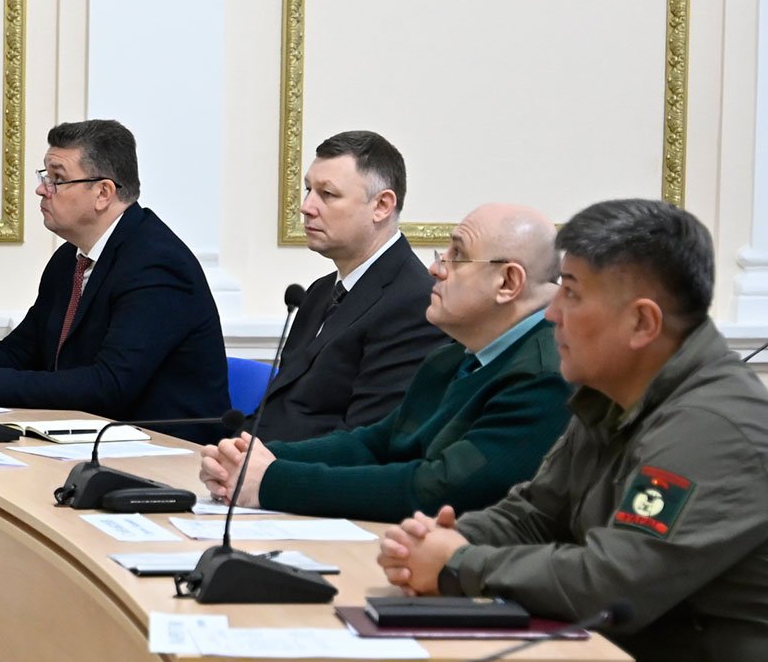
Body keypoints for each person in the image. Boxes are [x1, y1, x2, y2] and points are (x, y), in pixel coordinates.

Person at [378, 199, 768, 662]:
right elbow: (536, 513)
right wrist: (442, 540)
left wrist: (460, 563)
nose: (551, 313)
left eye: (571, 294)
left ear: (642, 323)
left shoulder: (713, 426)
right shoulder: (615, 394)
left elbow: (614, 583)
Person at [199, 203, 570, 522]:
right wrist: (256, 457)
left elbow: (438, 489)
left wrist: (272, 481)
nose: (435, 269)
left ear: (508, 282)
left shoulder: (545, 376)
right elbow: (375, 443)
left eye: (456, 255)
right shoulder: (452, 356)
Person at [0, 120, 228, 426]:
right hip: (90, 438)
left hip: (168, 454)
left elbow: (110, 384)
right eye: (45, 177)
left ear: (103, 193)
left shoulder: (156, 264)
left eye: (58, 179)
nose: (42, 190)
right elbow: (22, 351)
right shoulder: (70, 258)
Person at [250, 130, 445, 443]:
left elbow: (365, 438)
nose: (306, 207)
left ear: (381, 205)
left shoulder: (415, 303)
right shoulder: (319, 291)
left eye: (327, 194)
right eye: (308, 190)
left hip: (303, 469)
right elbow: (279, 410)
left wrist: (264, 464)